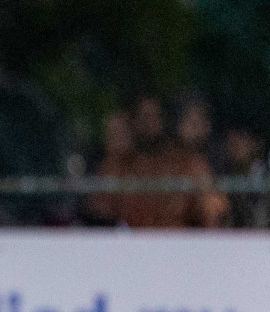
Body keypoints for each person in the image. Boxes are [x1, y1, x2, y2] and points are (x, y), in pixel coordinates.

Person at [90, 95, 225, 229]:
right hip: (130, 245)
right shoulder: (119, 167)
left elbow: (211, 212)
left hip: (178, 244)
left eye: (155, 116)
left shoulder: (188, 164)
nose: (149, 123)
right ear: (134, 122)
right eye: (144, 117)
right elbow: (99, 214)